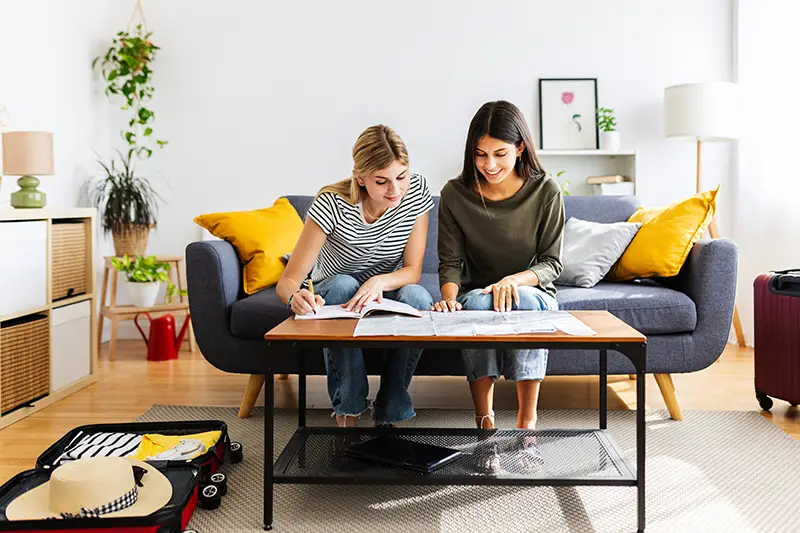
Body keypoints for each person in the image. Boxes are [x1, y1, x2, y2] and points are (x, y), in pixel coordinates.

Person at [277, 125, 434, 427]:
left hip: (384, 290)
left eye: (401, 177)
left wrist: (377, 282)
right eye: (382, 181)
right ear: (360, 178)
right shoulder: (331, 204)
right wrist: (296, 298)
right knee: (344, 284)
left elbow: (413, 270)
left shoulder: (416, 192)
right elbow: (287, 282)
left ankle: (390, 408)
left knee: (419, 298)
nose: (396, 190)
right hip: (337, 293)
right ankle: (347, 411)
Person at [433, 100, 565, 431]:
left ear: (520, 148)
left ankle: (526, 424)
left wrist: (514, 282)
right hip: (477, 292)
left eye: (500, 154)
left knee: (522, 304)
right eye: (480, 154)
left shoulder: (546, 190)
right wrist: (450, 298)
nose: (489, 164)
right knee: (477, 303)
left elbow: (552, 264)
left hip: (533, 292)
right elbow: (450, 261)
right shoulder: (454, 194)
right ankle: (484, 422)